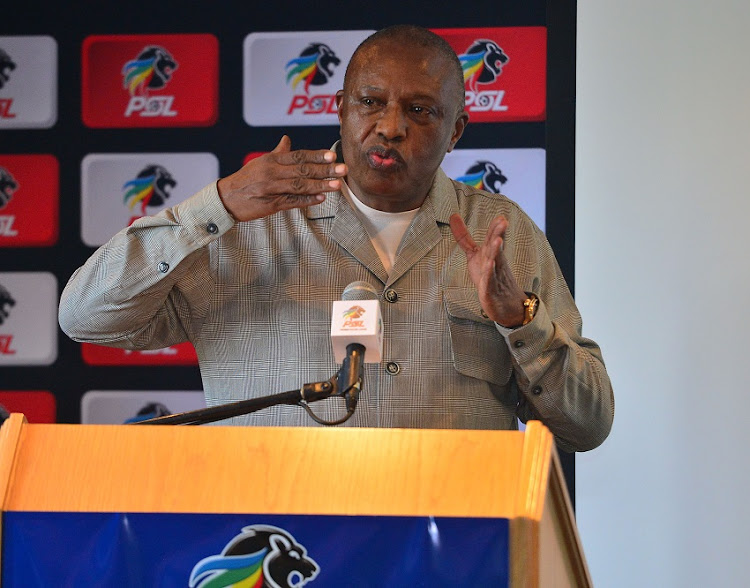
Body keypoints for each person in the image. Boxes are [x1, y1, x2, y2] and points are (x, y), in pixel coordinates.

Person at [59, 25, 613, 452]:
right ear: (340, 108)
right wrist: (215, 206)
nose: (390, 126)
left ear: (455, 133)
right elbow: (84, 316)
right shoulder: (245, 225)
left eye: (419, 111)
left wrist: (523, 321)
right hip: (286, 534)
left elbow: (587, 424)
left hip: (451, 550)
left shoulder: (501, 234)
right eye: (370, 102)